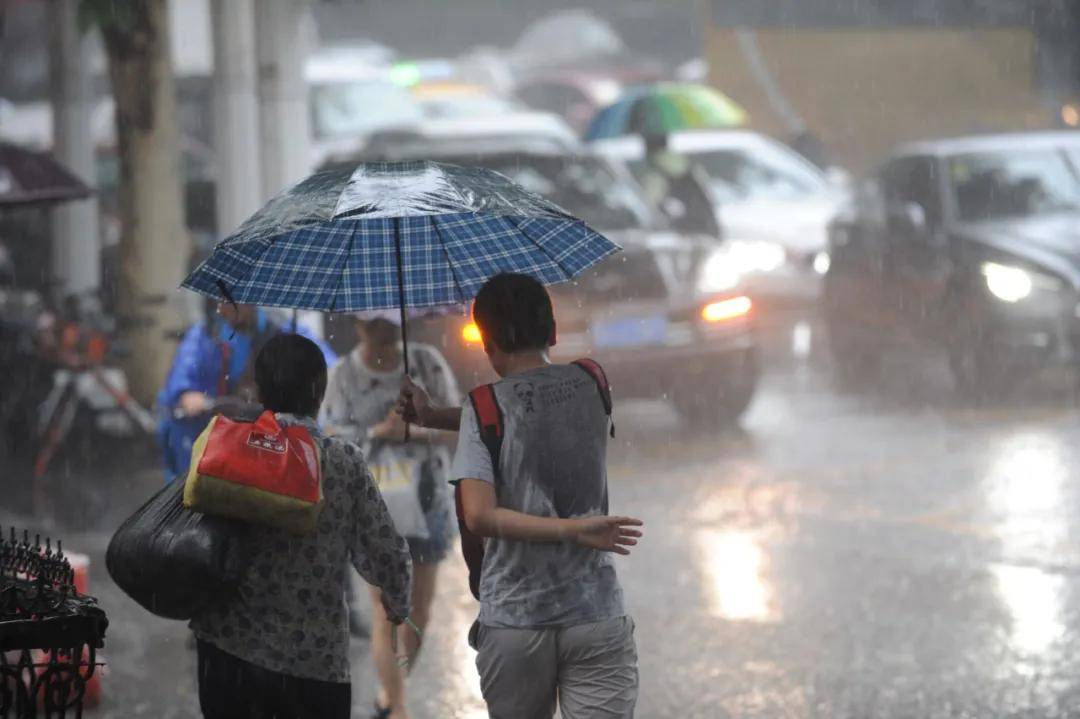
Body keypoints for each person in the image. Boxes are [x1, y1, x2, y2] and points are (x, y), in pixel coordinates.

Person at [400, 273, 643, 719]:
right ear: (552, 331)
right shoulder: (592, 382)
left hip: (516, 619)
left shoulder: (483, 405)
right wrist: (434, 415)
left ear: (487, 344)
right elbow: (534, 417)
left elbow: (480, 516)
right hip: (595, 611)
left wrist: (571, 530)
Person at [190, 333, 412, 719]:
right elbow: (386, 553)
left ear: (258, 391)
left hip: (227, 652)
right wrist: (398, 599)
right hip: (313, 662)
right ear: (319, 391)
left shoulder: (229, 449)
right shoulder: (342, 461)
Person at [318, 310, 460, 719]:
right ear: (358, 327)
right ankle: (398, 707)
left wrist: (414, 430)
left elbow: (457, 423)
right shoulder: (343, 374)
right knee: (385, 612)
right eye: (373, 326)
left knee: (419, 614)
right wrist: (378, 433)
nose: (383, 334)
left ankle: (389, 694)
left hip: (428, 499)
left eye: (390, 326)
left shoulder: (426, 363)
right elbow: (331, 437)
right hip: (372, 506)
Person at [157, 301, 337, 482]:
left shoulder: (280, 329)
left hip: (271, 427)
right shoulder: (205, 334)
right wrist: (189, 395)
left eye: (235, 300)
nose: (228, 307)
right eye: (223, 300)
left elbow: (327, 367)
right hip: (218, 424)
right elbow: (183, 381)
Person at [639, 132, 721, 238]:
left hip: (681, 237)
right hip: (708, 230)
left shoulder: (655, 175)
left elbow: (648, 209)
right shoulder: (690, 167)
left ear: (646, 149)